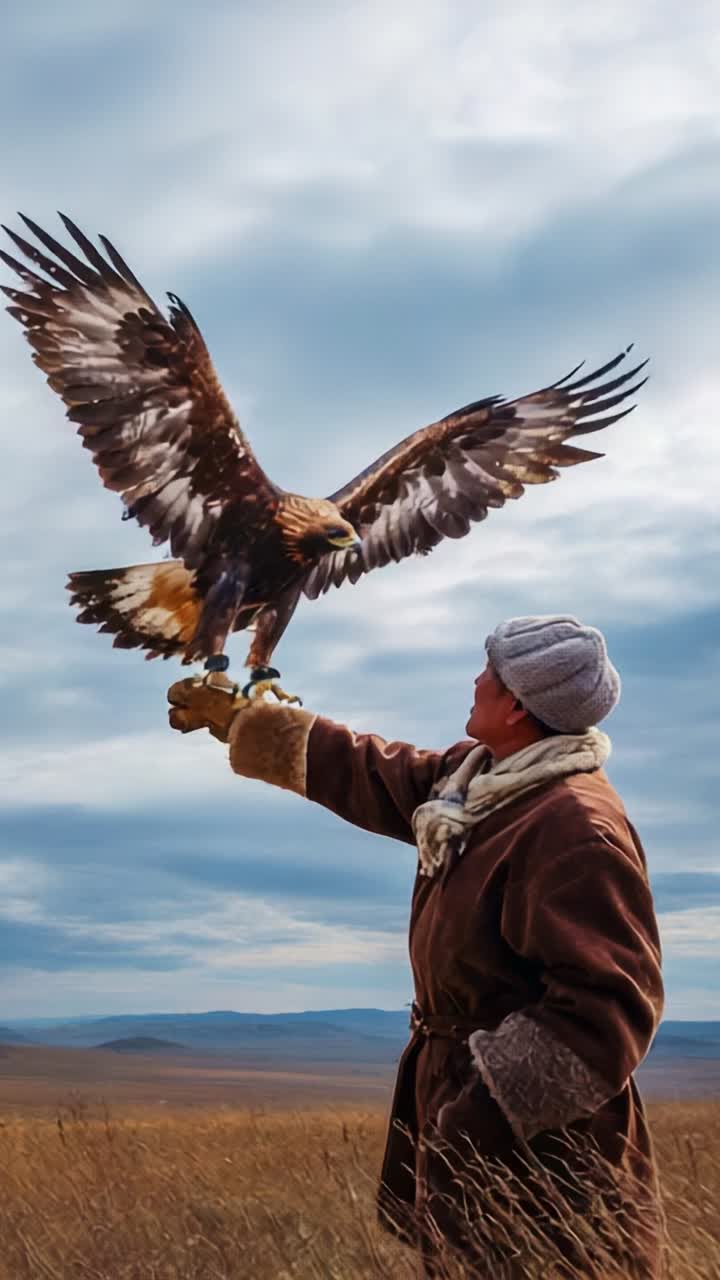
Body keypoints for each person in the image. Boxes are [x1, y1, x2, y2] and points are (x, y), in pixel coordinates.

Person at [167, 614, 664, 1278]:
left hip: (544, 1153)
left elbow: (605, 1013)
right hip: (478, 1118)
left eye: (490, 673)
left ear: (518, 705)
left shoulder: (573, 826)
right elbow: (374, 772)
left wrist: (478, 1118)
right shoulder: (481, 783)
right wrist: (248, 722)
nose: (476, 680)